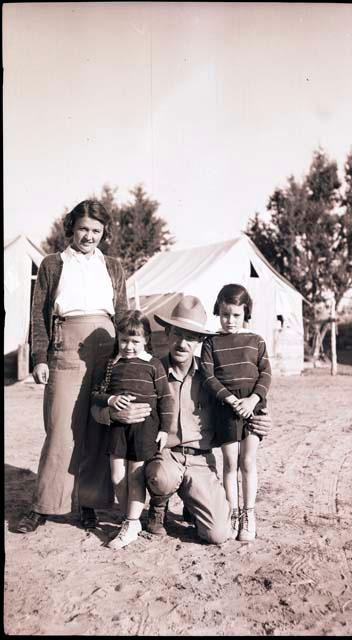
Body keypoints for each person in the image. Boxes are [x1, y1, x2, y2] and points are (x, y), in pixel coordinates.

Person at [94, 295, 272, 545]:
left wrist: (261, 419)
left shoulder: (212, 378)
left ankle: (193, 502)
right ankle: (158, 503)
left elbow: (241, 398)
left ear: (200, 341)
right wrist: (111, 413)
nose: (182, 343)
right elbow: (100, 406)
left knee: (218, 535)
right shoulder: (148, 370)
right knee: (158, 476)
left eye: (190, 336)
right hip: (164, 455)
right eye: (177, 333)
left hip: (200, 459)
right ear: (166, 333)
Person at [16, 200, 127, 534]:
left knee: (98, 427)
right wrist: (39, 357)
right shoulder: (53, 264)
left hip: (106, 347)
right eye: (83, 229)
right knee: (61, 428)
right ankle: (44, 506)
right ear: (71, 228)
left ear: (103, 233)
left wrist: (125, 355)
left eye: (96, 230)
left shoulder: (114, 266)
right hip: (66, 347)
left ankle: (89, 504)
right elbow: (38, 314)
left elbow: (120, 312)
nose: (89, 236)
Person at [91, 310, 173, 550]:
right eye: (124, 340)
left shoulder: (153, 365)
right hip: (118, 427)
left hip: (145, 427)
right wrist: (110, 400)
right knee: (118, 476)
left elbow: (166, 400)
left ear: (146, 339)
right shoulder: (111, 365)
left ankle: (131, 521)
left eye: (135, 341)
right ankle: (131, 518)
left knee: (135, 476)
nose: (128, 346)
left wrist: (165, 430)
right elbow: (96, 392)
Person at [200, 283, 272, 542]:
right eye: (225, 314)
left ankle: (248, 515)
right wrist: (231, 399)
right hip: (226, 408)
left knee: (248, 462)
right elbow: (208, 377)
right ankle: (231, 512)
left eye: (236, 315)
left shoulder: (256, 341)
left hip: (253, 406)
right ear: (218, 311)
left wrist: (253, 400)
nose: (230, 320)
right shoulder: (211, 342)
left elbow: (265, 373)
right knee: (230, 463)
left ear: (246, 314)